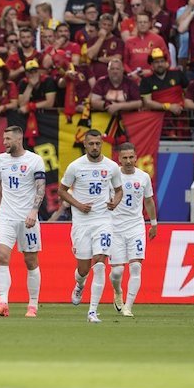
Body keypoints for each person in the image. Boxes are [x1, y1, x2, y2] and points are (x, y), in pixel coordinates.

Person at [0, 126, 46, 318]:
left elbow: (41, 188)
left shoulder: (34, 160)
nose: (4, 142)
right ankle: (3, 302)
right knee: (2, 255)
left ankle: (33, 305)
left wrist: (34, 210)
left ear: (18, 139)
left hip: (28, 219)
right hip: (5, 217)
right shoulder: (1, 159)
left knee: (30, 261)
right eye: (3, 139)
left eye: (7, 139)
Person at [57, 129, 123, 323]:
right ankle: (79, 284)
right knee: (83, 268)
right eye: (91, 143)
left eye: (98, 143)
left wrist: (115, 202)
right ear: (84, 145)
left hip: (103, 220)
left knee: (100, 263)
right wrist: (78, 205)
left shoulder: (111, 166)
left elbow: (119, 190)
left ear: (102, 144)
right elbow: (62, 191)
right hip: (81, 222)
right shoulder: (75, 167)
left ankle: (93, 311)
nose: (95, 147)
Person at [109, 142, 157, 318]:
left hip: (136, 226)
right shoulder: (112, 177)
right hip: (115, 227)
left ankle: (128, 307)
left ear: (136, 157)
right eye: (125, 158)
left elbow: (149, 201)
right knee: (117, 272)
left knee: (136, 266)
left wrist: (153, 223)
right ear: (119, 159)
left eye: (131, 157)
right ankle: (117, 291)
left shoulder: (143, 177)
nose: (128, 161)